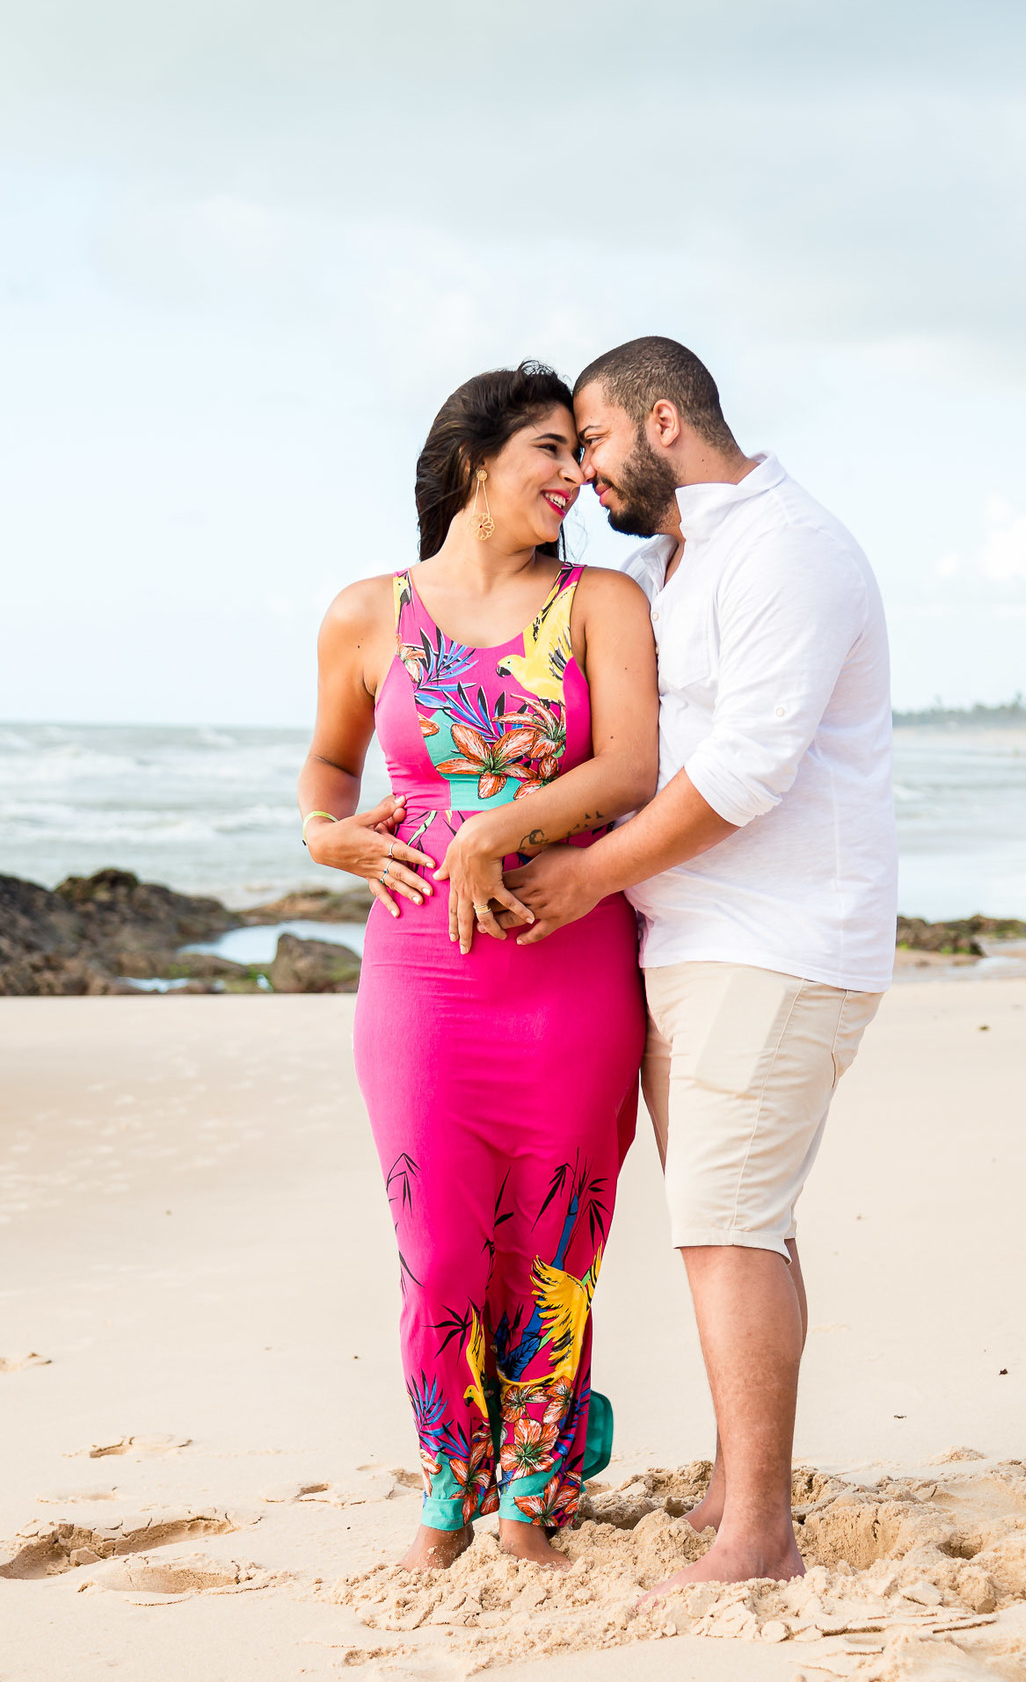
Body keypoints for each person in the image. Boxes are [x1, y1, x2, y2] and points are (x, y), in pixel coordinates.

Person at [502, 336, 897, 1596]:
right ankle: (741, 1486)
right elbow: (648, 738)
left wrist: (583, 877)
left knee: (726, 1226)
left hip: (774, 946)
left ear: (662, 422)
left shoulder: (790, 551)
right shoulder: (673, 564)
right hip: (701, 943)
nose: (585, 478)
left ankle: (758, 1541)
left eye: (596, 444)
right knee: (737, 1221)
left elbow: (746, 774)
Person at [297, 360, 658, 1571]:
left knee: (555, 1249)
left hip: (568, 967)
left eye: (578, 451)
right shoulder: (366, 612)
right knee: (442, 1251)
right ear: (473, 461)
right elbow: (328, 770)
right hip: (418, 979)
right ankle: (447, 1496)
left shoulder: (600, 602)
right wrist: (323, 834)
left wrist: (499, 829)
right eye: (550, 451)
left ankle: (530, 1507)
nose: (575, 475)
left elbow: (630, 775)